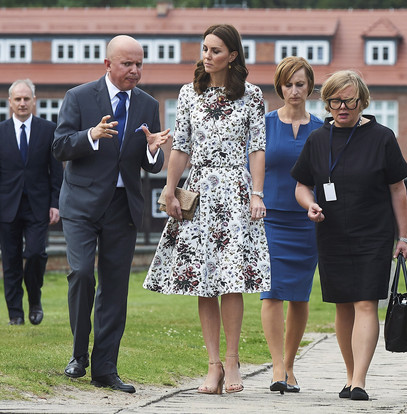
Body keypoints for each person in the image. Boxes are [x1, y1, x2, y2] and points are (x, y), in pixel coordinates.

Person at [144, 24, 270, 396]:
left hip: (234, 190)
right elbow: (180, 147)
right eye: (205, 49)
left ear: (233, 55)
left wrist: (257, 194)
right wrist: (169, 190)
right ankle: (212, 365)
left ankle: (233, 361)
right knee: (203, 280)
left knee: (231, 279)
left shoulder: (252, 95)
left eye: (216, 50)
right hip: (198, 191)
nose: (207, 55)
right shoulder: (189, 93)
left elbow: (257, 148)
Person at [53, 35, 170, 393]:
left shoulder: (148, 104)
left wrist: (153, 151)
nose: (134, 70)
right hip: (82, 205)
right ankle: (78, 356)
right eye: (126, 64)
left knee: (116, 290)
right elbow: (59, 146)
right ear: (108, 65)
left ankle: (105, 369)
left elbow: (152, 164)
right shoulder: (79, 97)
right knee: (83, 274)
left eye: (138, 64)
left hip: (123, 208)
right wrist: (91, 134)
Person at [291, 70, 407, 401]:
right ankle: (348, 374)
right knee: (343, 306)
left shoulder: (382, 137)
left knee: (365, 303)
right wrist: (309, 204)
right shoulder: (317, 139)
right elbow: (302, 185)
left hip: (374, 233)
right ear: (326, 102)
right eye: (334, 101)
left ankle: (359, 380)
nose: (342, 107)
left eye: (349, 101)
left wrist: (404, 238)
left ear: (362, 100)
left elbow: (398, 189)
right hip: (331, 233)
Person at [257, 56, 323, 394]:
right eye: (288, 84)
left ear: (310, 86)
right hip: (269, 219)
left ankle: (291, 365)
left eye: (300, 84)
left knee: (299, 295)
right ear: (279, 87)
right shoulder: (264, 123)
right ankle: (277, 366)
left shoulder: (322, 129)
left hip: (308, 222)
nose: (294, 91)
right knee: (271, 293)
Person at [0, 79, 62, 326]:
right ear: (10, 102)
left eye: (27, 99)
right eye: (18, 99)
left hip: (39, 205)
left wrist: (56, 203)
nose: (22, 103)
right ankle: (15, 313)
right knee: (11, 260)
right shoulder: (1, 132)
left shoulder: (48, 130)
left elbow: (56, 171)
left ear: (34, 100)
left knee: (35, 253)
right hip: (6, 206)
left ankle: (35, 300)